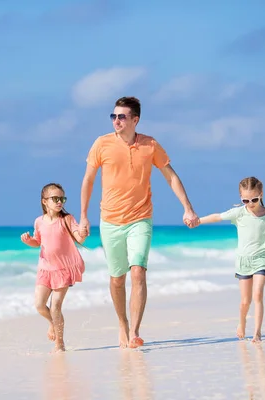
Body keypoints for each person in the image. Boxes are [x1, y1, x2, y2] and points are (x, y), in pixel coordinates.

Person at [79, 96, 199, 349]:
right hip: (110, 220)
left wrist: (187, 208)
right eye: (113, 116)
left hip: (140, 218)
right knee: (117, 278)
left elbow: (171, 177)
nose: (116, 121)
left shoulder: (150, 145)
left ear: (135, 119)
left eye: (122, 116)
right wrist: (83, 216)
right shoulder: (101, 144)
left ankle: (134, 331)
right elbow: (88, 180)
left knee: (138, 272)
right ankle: (122, 324)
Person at [198, 176, 265, 342]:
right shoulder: (239, 213)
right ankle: (241, 323)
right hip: (243, 262)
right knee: (245, 302)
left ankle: (257, 333)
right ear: (241, 198)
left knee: (258, 295)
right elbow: (218, 217)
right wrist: (198, 221)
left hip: (262, 259)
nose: (250, 203)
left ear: (261, 194)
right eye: (245, 200)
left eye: (254, 199)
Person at [21, 182, 87, 353]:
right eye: (55, 199)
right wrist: (30, 242)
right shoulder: (38, 222)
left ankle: (60, 344)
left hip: (63, 269)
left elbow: (79, 238)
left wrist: (83, 232)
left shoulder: (66, 219)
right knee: (39, 304)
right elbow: (38, 241)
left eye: (62, 199)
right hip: (44, 269)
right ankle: (52, 322)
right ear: (44, 201)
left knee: (56, 305)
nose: (60, 202)